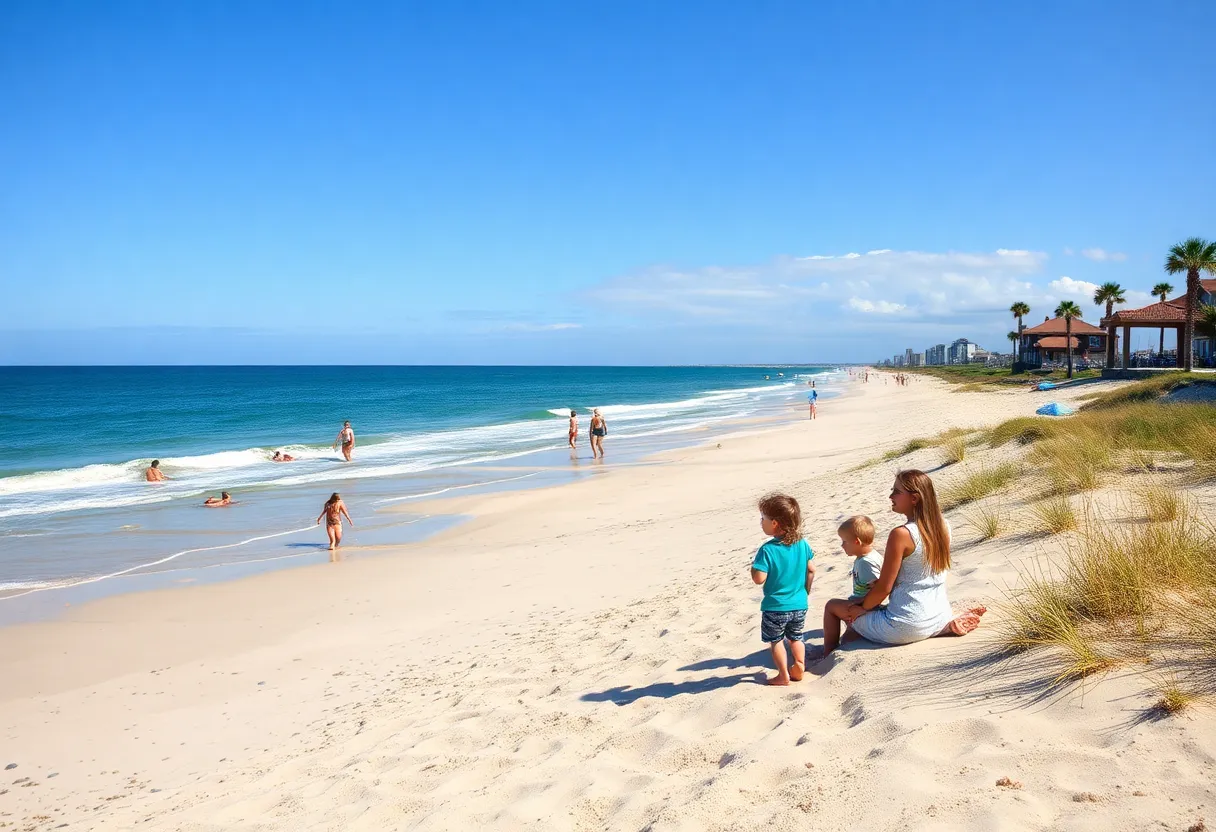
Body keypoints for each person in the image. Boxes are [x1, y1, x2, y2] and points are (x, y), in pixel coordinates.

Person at [820, 470, 986, 657]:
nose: (891, 496)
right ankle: (944, 627)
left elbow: (884, 587)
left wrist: (861, 608)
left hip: (906, 625)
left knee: (833, 606)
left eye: (896, 492)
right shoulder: (943, 525)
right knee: (859, 613)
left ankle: (827, 655)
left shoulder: (902, 534)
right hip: (939, 615)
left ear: (914, 498)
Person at [751, 493, 816, 686]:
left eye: (763, 519)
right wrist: (806, 591)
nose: (761, 522)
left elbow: (759, 579)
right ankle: (799, 665)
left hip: (775, 607)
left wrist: (754, 568)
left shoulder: (767, 550)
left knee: (776, 641)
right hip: (799, 604)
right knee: (796, 637)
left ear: (775, 524)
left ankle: (782, 675)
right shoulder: (803, 544)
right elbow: (811, 570)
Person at [820, 516, 884, 638]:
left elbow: (879, 587)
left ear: (857, 542)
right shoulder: (870, 556)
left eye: (844, 542)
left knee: (831, 607)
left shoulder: (866, 563)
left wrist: (863, 607)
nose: (842, 546)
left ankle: (828, 652)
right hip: (863, 604)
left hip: (865, 607)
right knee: (849, 635)